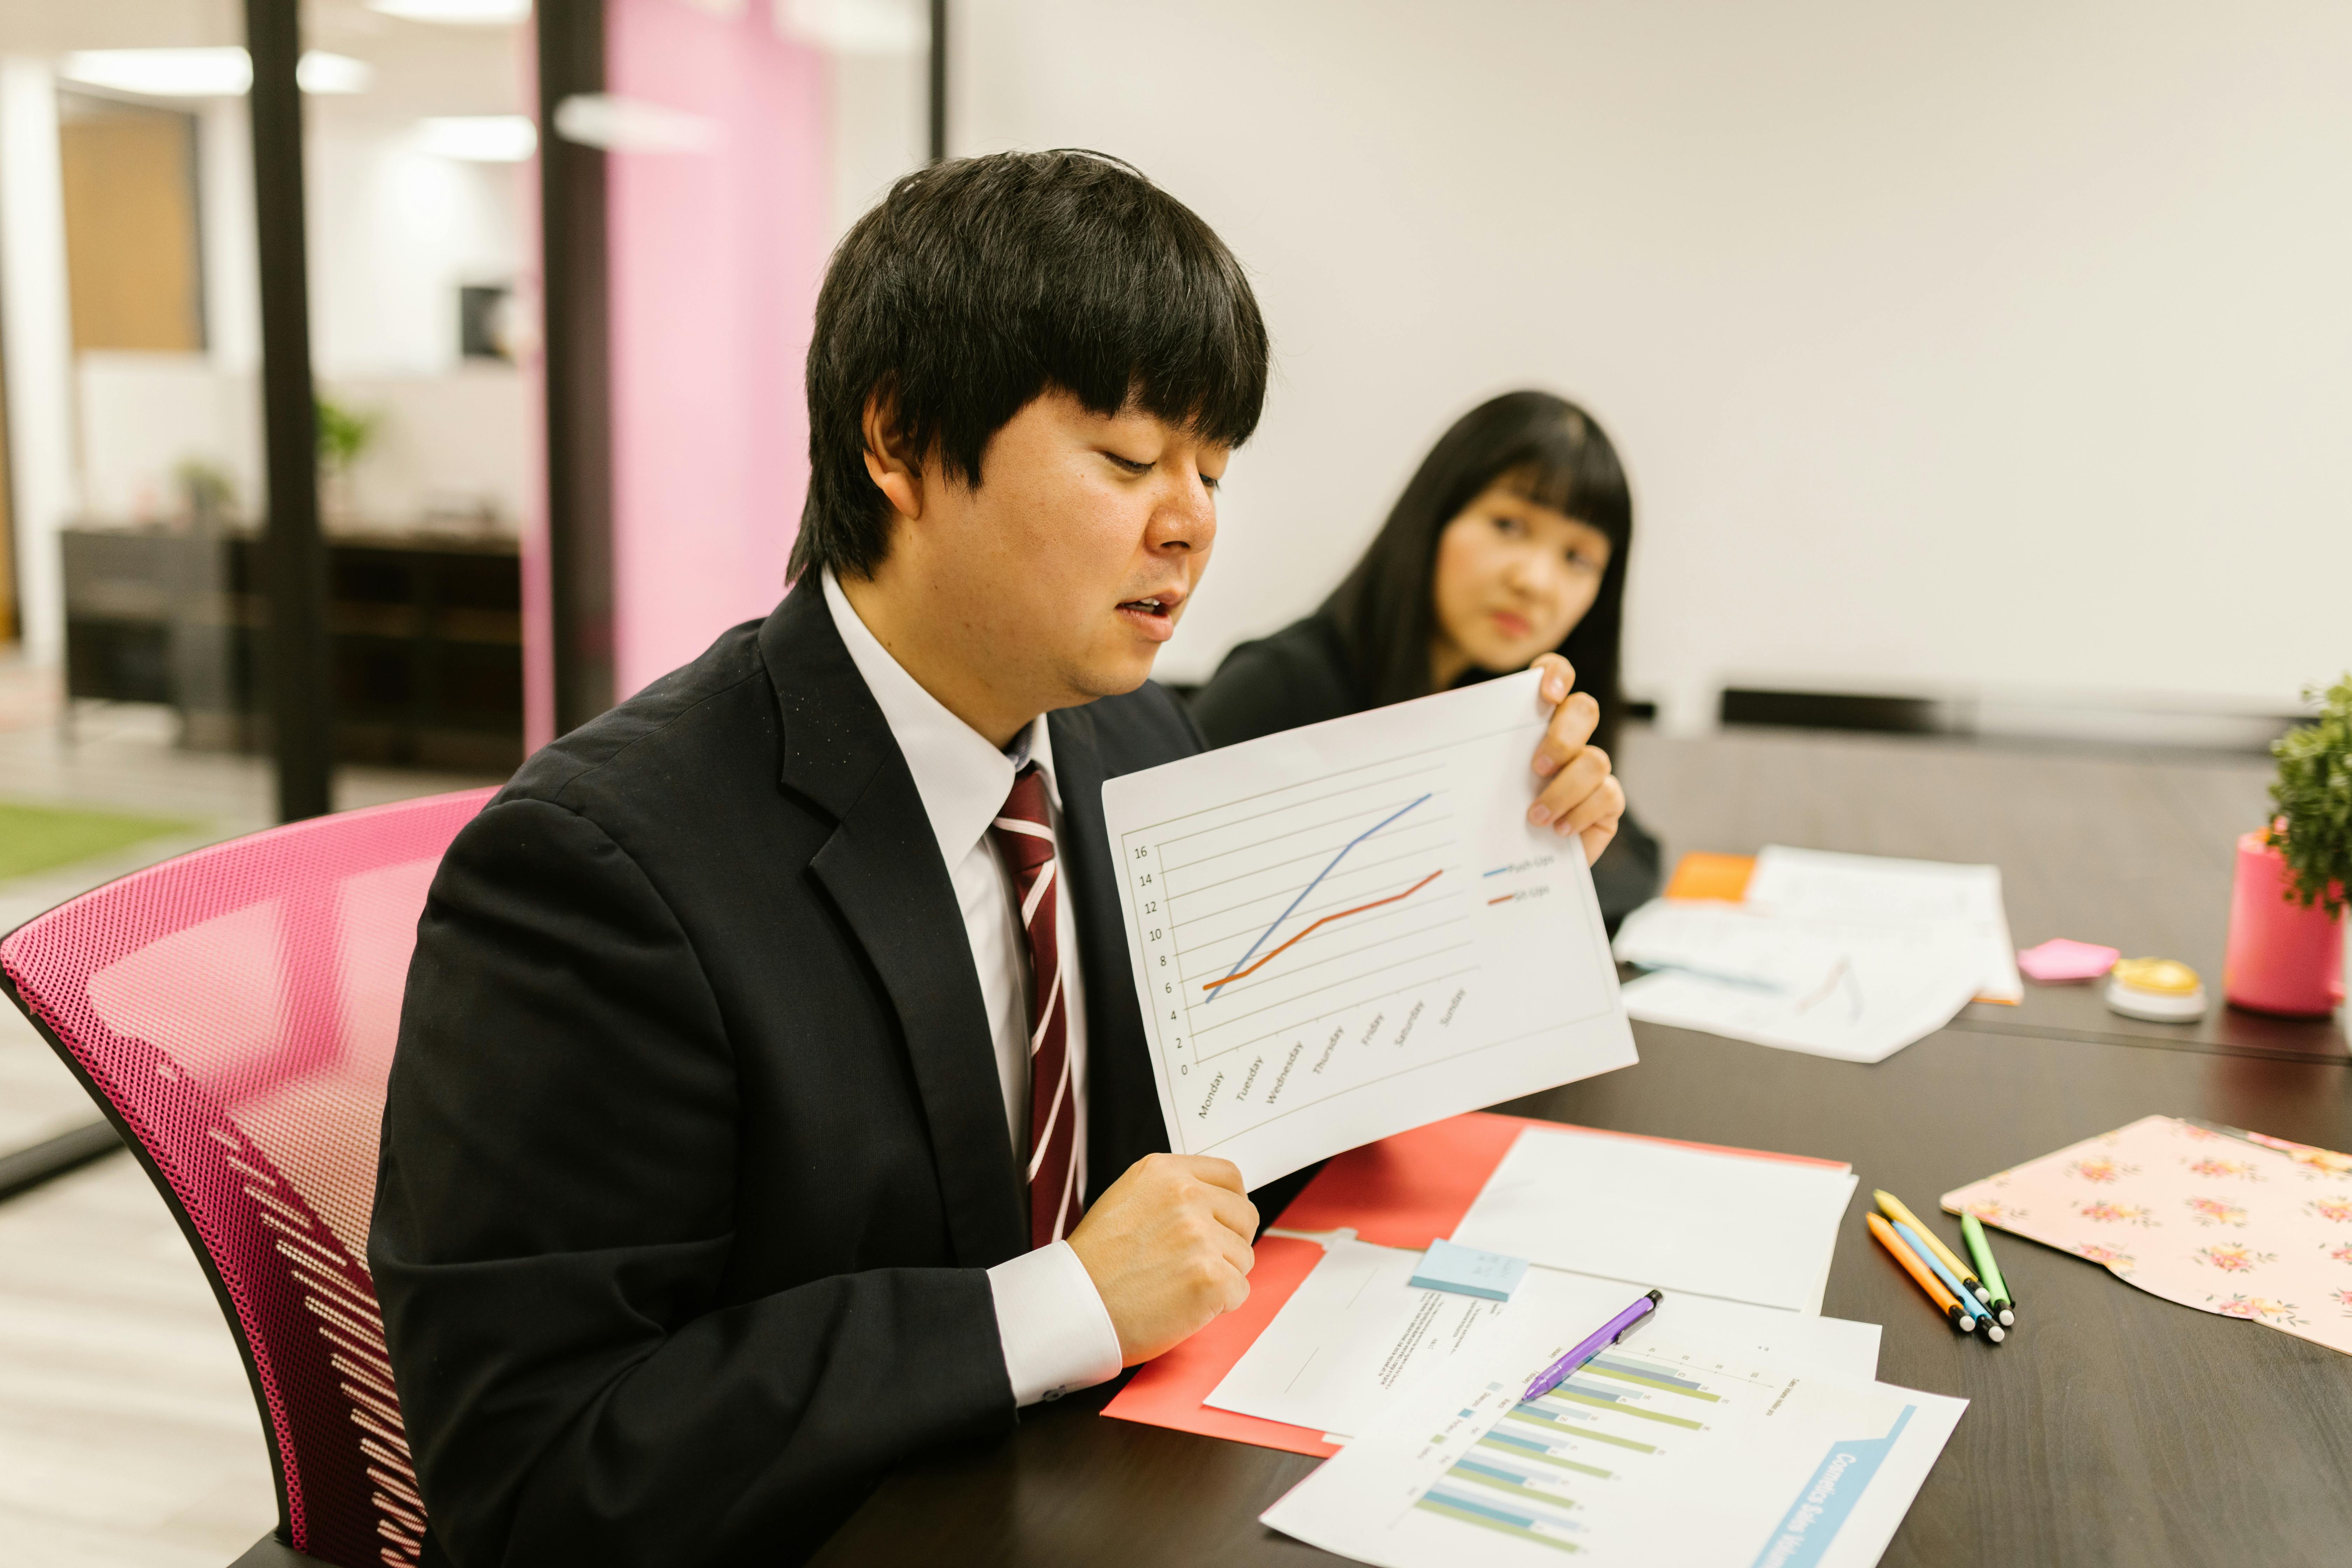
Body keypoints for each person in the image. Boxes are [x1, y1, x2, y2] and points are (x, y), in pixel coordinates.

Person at [370, 153, 1625, 1568]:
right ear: (898, 444)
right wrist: (1065, 1302)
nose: (1193, 520)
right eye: (1131, 460)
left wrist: (1496, 859)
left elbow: (1256, 1112)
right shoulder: (596, 874)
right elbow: (535, 1469)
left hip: (1109, 1491)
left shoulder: (1132, 747)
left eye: (1212, 469)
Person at [1192, 390, 1661, 928]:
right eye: (1509, 525)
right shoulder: (1279, 685)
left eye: (1578, 558)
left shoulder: (1511, 710)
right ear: (1434, 517)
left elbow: (1637, 860)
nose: (1535, 582)